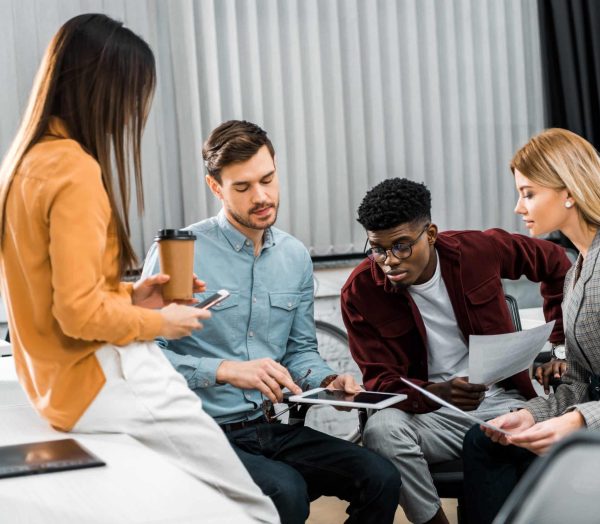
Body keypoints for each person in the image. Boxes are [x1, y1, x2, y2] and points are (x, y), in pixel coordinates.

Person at [0, 14, 277, 523]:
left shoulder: (23, 164)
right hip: (102, 375)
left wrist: (133, 298)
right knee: (254, 509)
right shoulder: (75, 169)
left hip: (53, 388)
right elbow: (80, 315)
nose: (135, 113)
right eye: (134, 96)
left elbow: (57, 295)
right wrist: (162, 322)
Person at [142, 120, 401, 524]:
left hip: (266, 426)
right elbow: (144, 357)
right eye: (242, 187)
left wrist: (327, 382)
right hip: (198, 432)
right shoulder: (179, 253)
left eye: (268, 179)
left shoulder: (294, 256)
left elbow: (300, 351)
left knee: (380, 476)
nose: (261, 197)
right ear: (216, 188)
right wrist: (224, 371)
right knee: (286, 491)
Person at [340, 177, 571, 524]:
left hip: (503, 403)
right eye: (377, 248)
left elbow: (557, 262)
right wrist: (435, 393)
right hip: (427, 417)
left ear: (430, 234)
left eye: (401, 246)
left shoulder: (477, 251)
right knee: (380, 430)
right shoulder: (360, 291)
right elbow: (381, 382)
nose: (388, 260)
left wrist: (560, 345)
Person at [463, 128, 600, 523]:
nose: (518, 208)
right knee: (486, 441)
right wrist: (532, 414)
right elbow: (577, 383)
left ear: (569, 192)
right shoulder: (575, 273)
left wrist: (577, 421)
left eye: (528, 193)